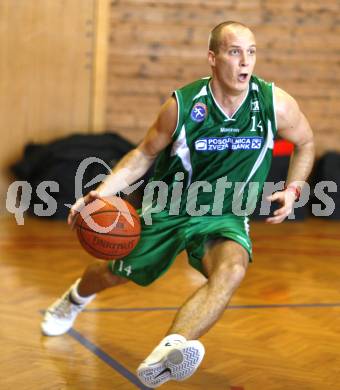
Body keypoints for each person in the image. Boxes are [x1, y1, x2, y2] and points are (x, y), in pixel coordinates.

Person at [41, 21, 315, 387]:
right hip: (167, 207)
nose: (245, 61)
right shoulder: (183, 105)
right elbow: (142, 154)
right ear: (212, 58)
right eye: (235, 52)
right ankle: (74, 299)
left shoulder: (273, 104)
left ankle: (170, 348)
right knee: (110, 271)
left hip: (225, 211)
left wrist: (294, 189)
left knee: (232, 269)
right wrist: (103, 192)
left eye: (251, 52)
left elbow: (306, 142)